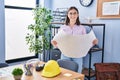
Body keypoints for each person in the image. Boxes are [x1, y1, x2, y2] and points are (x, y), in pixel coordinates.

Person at [51, 6, 98, 73]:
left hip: (78, 55)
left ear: (77, 15)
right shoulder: (63, 28)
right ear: (67, 15)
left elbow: (85, 42)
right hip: (65, 54)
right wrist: (55, 44)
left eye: (74, 13)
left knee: (77, 74)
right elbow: (57, 40)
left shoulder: (82, 28)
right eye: (70, 13)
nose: (72, 15)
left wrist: (93, 42)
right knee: (64, 73)